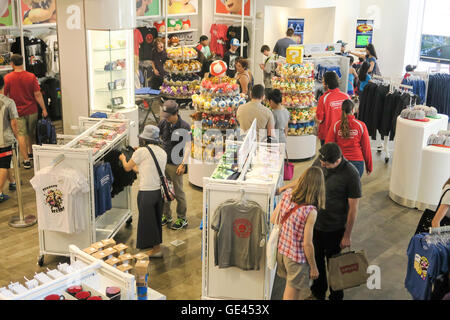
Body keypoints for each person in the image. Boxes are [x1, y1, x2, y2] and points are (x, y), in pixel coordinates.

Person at [278, 143, 362, 300]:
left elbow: (353, 208)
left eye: (326, 164)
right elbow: (306, 179)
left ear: (337, 160)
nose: (322, 165)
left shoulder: (351, 174)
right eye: (321, 162)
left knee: (335, 265)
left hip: (335, 229)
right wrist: (284, 188)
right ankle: (318, 293)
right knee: (316, 262)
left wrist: (347, 235)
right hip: (314, 225)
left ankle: (336, 296)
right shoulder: (321, 160)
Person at [270, 166, 325, 300]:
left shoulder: (288, 194)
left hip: (282, 252)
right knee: (291, 295)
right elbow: (307, 244)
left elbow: (273, 219)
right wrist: (313, 267)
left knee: (292, 289)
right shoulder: (310, 211)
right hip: (296, 258)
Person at [119, 125, 167, 257]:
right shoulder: (162, 152)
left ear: (144, 139)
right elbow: (142, 170)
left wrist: (124, 159)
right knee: (155, 219)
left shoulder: (141, 152)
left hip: (146, 192)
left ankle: (156, 250)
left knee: (147, 221)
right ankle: (153, 246)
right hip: (159, 192)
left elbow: (128, 168)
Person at [4, 54, 48, 170]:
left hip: (17, 112)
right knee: (31, 133)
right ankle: (31, 152)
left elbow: (4, 95)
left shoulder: (8, 78)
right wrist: (43, 108)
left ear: (12, 64)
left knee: (21, 135)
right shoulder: (31, 76)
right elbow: (37, 94)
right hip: (32, 109)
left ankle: (26, 160)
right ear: (23, 62)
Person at [158, 100, 191, 230]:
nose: (166, 118)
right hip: (163, 163)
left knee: (178, 193)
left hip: (176, 165)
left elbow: (188, 147)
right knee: (165, 191)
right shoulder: (163, 122)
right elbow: (158, 136)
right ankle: (167, 216)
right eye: (164, 116)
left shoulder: (185, 126)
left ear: (176, 113)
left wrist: (183, 164)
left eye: (168, 116)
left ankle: (182, 218)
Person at [325, 99, 373, 178]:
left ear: (342, 110)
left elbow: (328, 146)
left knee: (339, 188)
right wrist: (369, 166)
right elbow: (366, 148)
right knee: (353, 189)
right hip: (357, 163)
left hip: (339, 163)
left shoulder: (335, 125)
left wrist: (327, 164)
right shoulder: (361, 125)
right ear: (353, 110)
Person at [316, 71, 350, 146]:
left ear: (327, 84)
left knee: (327, 157)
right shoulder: (346, 96)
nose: (322, 84)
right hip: (343, 134)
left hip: (327, 135)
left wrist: (313, 117)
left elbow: (319, 119)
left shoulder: (323, 98)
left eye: (323, 81)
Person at [0, 75, 19, 203]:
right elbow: (14, 123)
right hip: (5, 140)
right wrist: (17, 136)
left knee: (7, 163)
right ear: (3, 85)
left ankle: (12, 182)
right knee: (3, 165)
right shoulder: (8, 102)